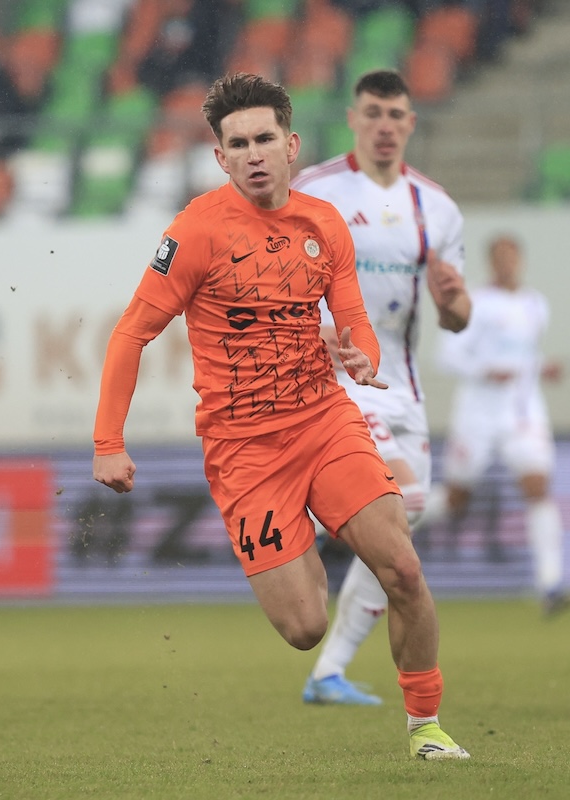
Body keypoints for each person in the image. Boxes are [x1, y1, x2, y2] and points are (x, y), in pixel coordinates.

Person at [92, 72, 469, 760]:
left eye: (265, 138)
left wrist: (362, 358)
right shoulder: (196, 230)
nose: (254, 153)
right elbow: (130, 334)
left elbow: (354, 321)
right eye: (238, 144)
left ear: (291, 146)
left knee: (403, 569)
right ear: (221, 158)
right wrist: (107, 442)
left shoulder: (323, 224)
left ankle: (427, 727)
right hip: (245, 450)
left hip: (325, 420)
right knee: (304, 628)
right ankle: (303, 540)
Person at [289, 69, 472, 706]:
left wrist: (454, 301)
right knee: (407, 494)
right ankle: (307, 517)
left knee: (403, 524)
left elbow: (458, 317)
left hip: (403, 388)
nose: (385, 126)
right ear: (353, 119)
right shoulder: (315, 189)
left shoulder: (437, 208)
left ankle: (328, 673)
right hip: (338, 380)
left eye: (396, 115)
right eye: (373, 113)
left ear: (411, 123)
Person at [433, 234, 566, 615]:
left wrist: (542, 367)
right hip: (477, 414)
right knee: (456, 499)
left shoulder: (535, 303)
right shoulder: (474, 301)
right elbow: (447, 356)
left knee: (537, 488)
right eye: (500, 256)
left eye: (512, 255)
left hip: (522, 414)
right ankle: (393, 527)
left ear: (520, 259)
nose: (507, 263)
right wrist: (485, 371)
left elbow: (523, 356)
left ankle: (551, 584)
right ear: (491, 261)